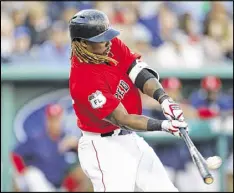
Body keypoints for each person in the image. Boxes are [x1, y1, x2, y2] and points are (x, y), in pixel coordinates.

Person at [68, 9, 188, 192]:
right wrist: (163, 125)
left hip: (130, 139)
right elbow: (122, 119)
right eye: (100, 39)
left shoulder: (108, 45)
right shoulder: (83, 79)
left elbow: (137, 71)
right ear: (83, 44)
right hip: (103, 147)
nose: (108, 42)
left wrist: (164, 99)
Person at [11, 104, 89, 192]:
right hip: (39, 184)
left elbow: (88, 154)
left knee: (82, 171)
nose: (55, 123)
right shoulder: (36, 139)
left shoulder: (67, 139)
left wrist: (76, 145)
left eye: (57, 119)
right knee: (32, 174)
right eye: (52, 120)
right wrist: (21, 172)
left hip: (58, 186)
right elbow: (15, 155)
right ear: (47, 120)